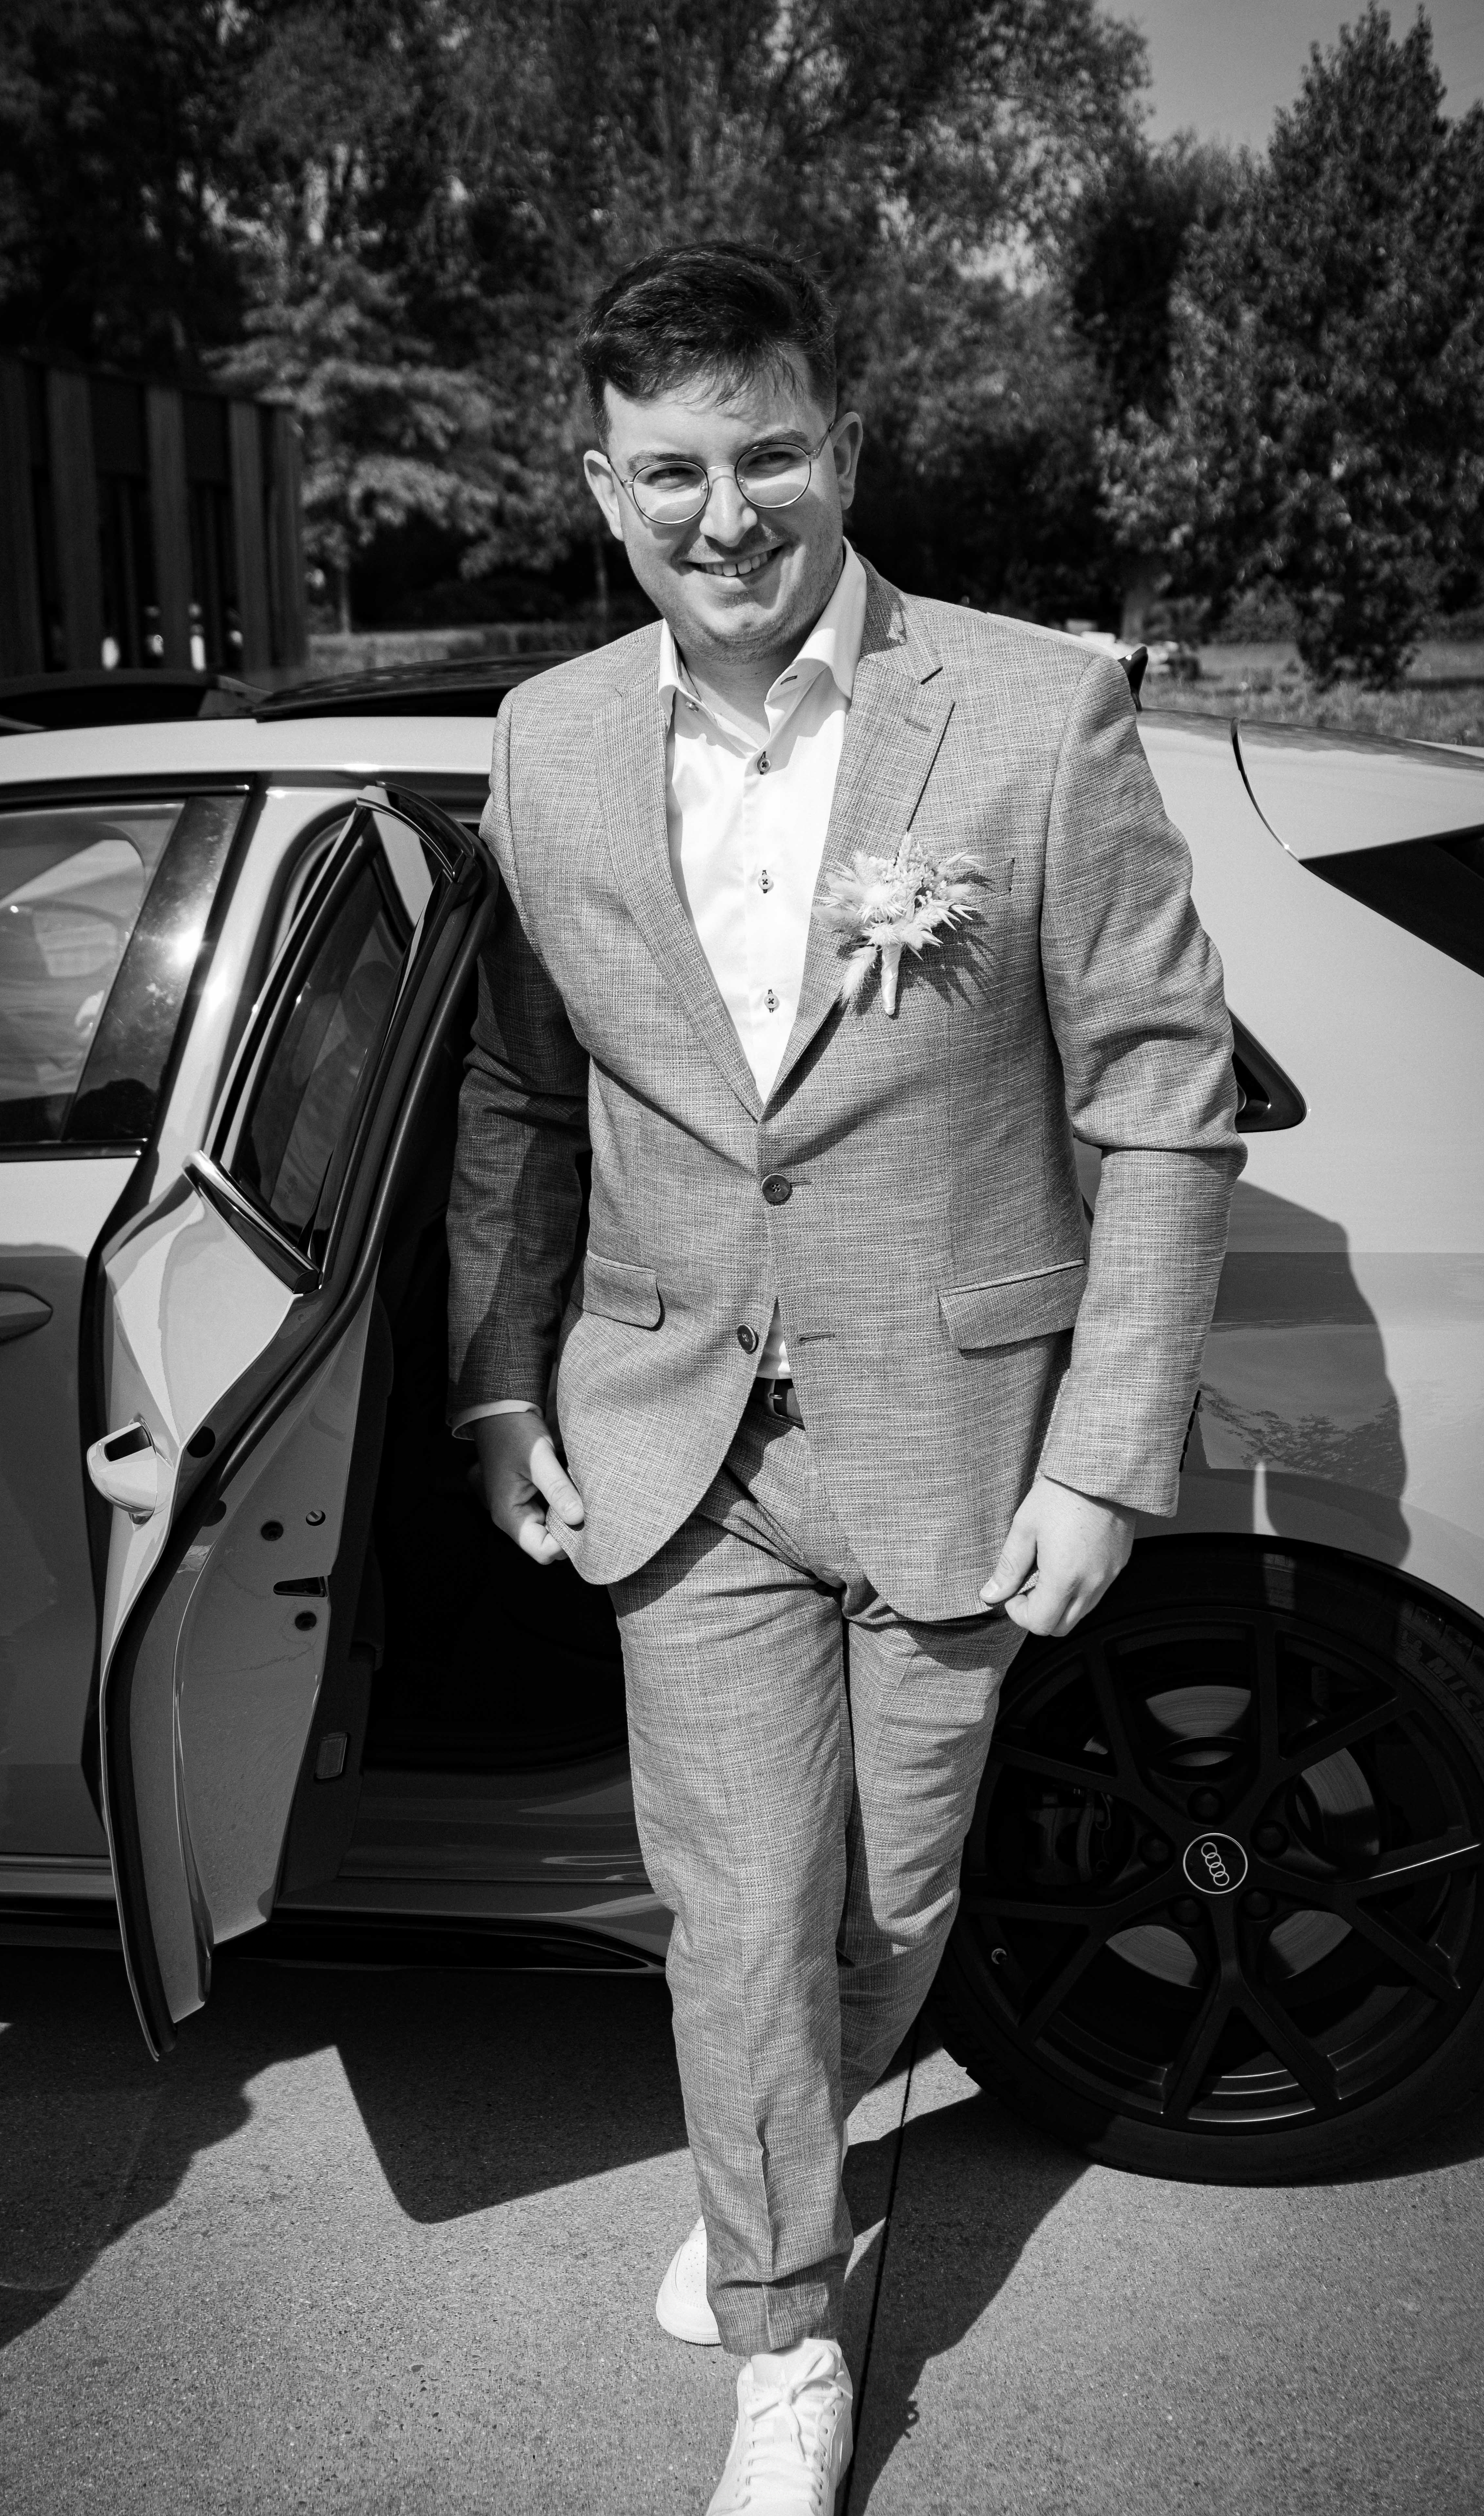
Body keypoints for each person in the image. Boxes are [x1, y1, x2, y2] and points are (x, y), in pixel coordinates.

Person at [446, 239, 1243, 2514]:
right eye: (674, 471)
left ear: (848, 452)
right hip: (675, 1440)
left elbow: (1163, 1098)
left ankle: (780, 2146)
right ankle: (785, 2335)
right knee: (734, 1924)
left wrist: (1105, 1459)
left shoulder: (1035, 712)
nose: (729, 515)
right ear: (604, 490)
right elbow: (518, 1095)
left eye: (771, 455)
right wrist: (500, 1393)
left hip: (954, 1439)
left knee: (881, 1914)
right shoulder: (543, 743)